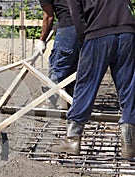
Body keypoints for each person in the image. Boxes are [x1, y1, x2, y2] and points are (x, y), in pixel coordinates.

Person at [52, 0, 135, 159]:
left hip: (98, 33)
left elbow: (76, 14)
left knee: (86, 84)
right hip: (127, 32)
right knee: (129, 86)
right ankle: (129, 143)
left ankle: (72, 140)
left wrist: (85, 37)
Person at [35, 0, 80, 109]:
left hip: (68, 26)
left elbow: (49, 17)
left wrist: (42, 40)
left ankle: (50, 102)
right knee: (73, 67)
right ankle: (71, 102)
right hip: (83, 26)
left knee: (58, 65)